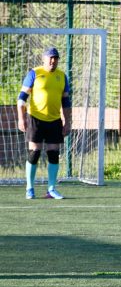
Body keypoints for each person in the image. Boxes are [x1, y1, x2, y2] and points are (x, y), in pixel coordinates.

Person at [16, 47, 72, 199]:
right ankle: (29, 188)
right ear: (44, 59)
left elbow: (66, 101)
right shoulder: (34, 73)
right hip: (35, 119)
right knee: (34, 153)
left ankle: (51, 189)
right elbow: (21, 99)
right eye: (50, 58)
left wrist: (67, 122)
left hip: (54, 120)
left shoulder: (62, 76)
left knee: (54, 153)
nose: (53, 61)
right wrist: (21, 118)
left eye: (56, 58)